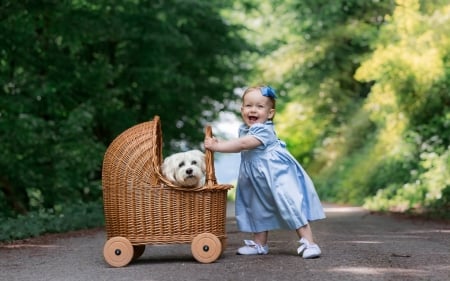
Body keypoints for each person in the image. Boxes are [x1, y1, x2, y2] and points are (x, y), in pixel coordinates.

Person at [204, 85, 326, 259]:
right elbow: (239, 142)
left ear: (270, 113)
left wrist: (217, 147)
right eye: (249, 106)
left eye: (260, 107)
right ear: (242, 110)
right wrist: (220, 142)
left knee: (289, 203)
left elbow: (243, 145)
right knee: (256, 207)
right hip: (255, 178)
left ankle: (310, 243)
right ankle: (260, 244)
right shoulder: (244, 129)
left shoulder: (264, 129)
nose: (253, 110)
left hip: (276, 175)